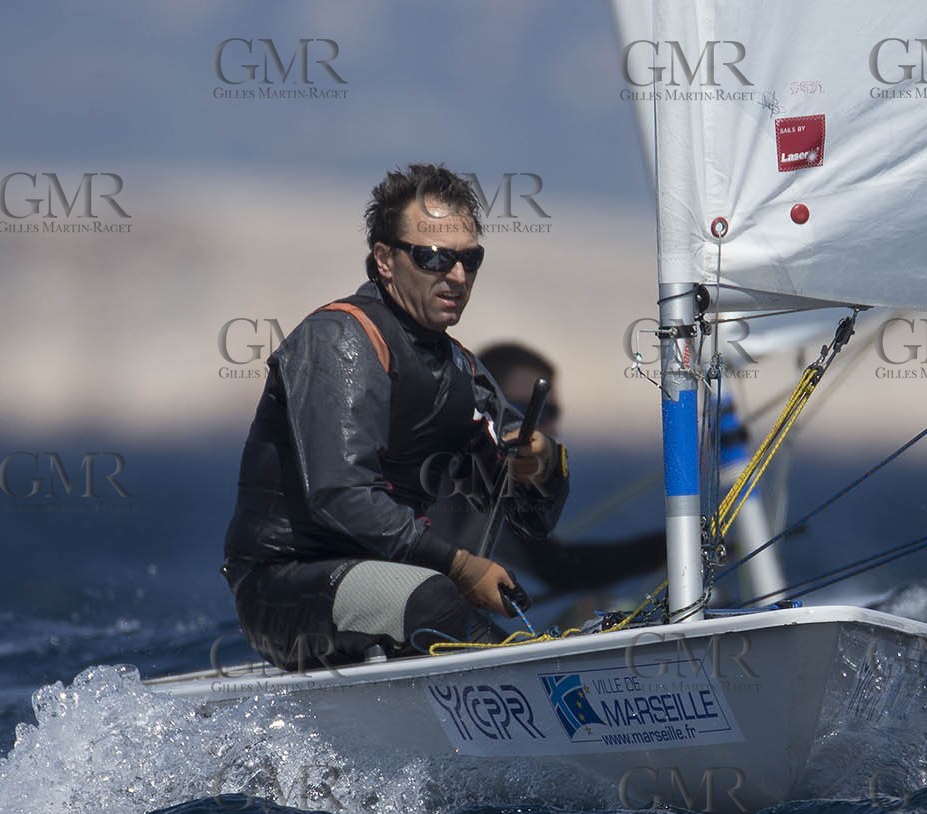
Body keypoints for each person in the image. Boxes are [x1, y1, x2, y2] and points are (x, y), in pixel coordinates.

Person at [221, 164, 570, 669]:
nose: (456, 276)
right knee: (434, 594)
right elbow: (341, 495)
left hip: (389, 584)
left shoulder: (460, 370)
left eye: (470, 260)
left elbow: (532, 519)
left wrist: (542, 465)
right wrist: (461, 566)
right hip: (284, 587)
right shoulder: (338, 340)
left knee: (432, 592)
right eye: (433, 258)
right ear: (384, 260)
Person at [429, 342, 667, 596]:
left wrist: (674, 544)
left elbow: (559, 567)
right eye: (526, 410)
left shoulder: (498, 488)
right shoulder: (439, 469)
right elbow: (560, 569)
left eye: (551, 412)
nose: (549, 428)